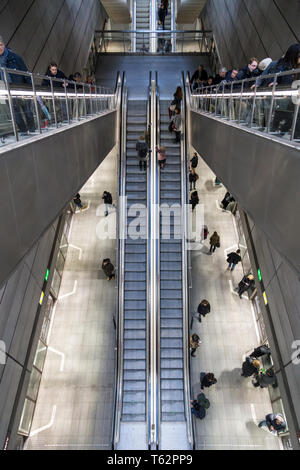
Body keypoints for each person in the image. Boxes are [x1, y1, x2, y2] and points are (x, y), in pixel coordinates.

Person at [0, 36, 35, 134]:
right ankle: (24, 131)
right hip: (7, 90)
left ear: (4, 44)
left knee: (27, 111)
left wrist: (30, 89)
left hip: (21, 88)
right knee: (16, 114)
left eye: (0, 45)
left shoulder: (15, 57)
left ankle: (32, 130)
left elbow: (26, 73)